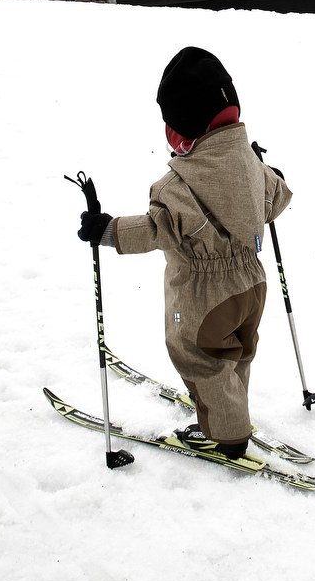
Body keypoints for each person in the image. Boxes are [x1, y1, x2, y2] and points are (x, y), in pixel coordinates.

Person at [76, 46, 292, 463]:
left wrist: (107, 230)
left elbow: (155, 229)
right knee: (236, 354)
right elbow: (276, 196)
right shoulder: (250, 162)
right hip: (252, 284)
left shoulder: (176, 188)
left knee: (201, 361)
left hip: (203, 297)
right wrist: (274, 176)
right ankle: (230, 411)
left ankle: (227, 436)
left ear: (183, 129)